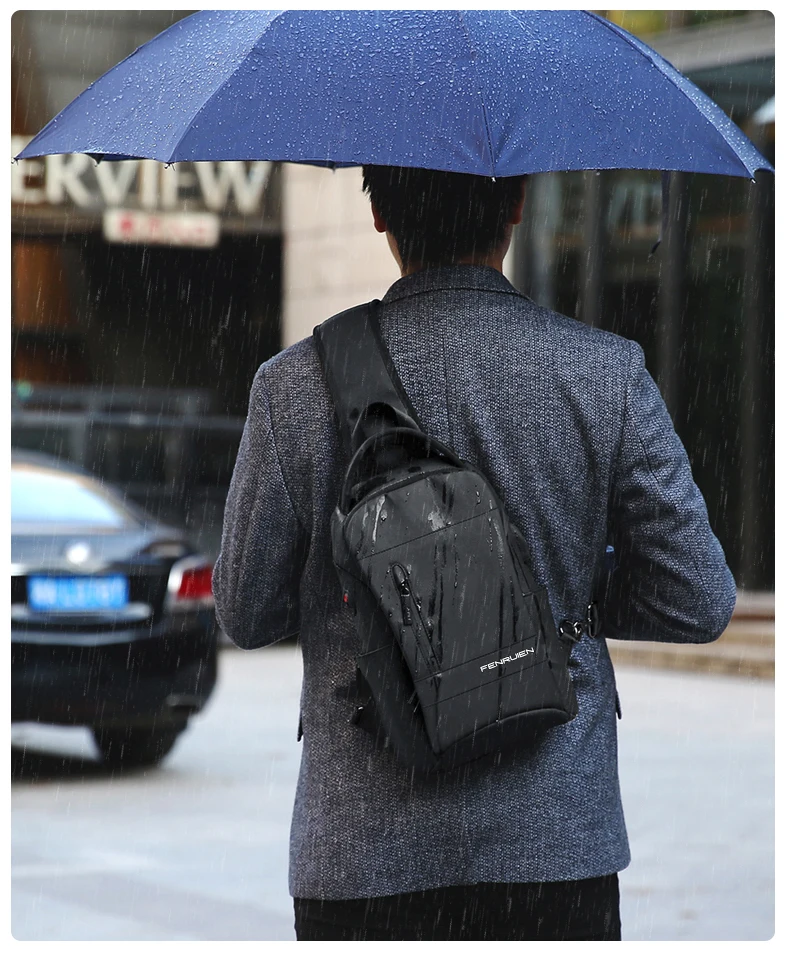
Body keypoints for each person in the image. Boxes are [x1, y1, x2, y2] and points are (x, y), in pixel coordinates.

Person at [212, 165, 736, 941]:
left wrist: (370, 598)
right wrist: (548, 603)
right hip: (552, 845)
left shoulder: (295, 386)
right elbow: (698, 599)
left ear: (380, 213)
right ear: (518, 203)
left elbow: (245, 611)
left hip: (363, 856)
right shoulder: (604, 374)